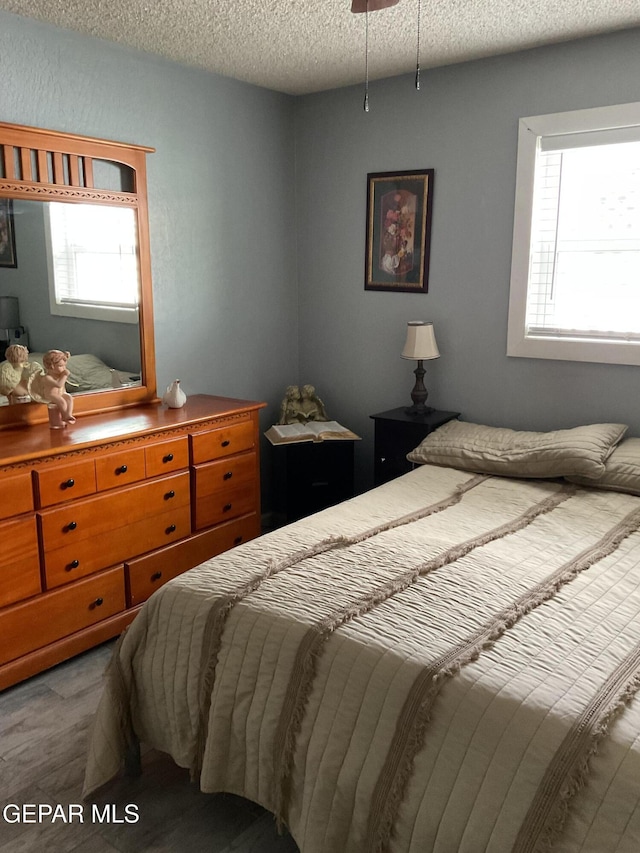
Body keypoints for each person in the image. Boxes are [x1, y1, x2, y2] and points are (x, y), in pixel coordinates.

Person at [30, 349, 76, 423]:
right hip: (51, 394)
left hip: (60, 393)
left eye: (64, 366)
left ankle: (69, 414)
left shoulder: (59, 375)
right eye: (61, 366)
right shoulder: (47, 377)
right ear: (51, 366)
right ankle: (64, 416)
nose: (64, 368)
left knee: (69, 398)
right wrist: (64, 375)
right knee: (62, 401)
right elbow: (58, 385)